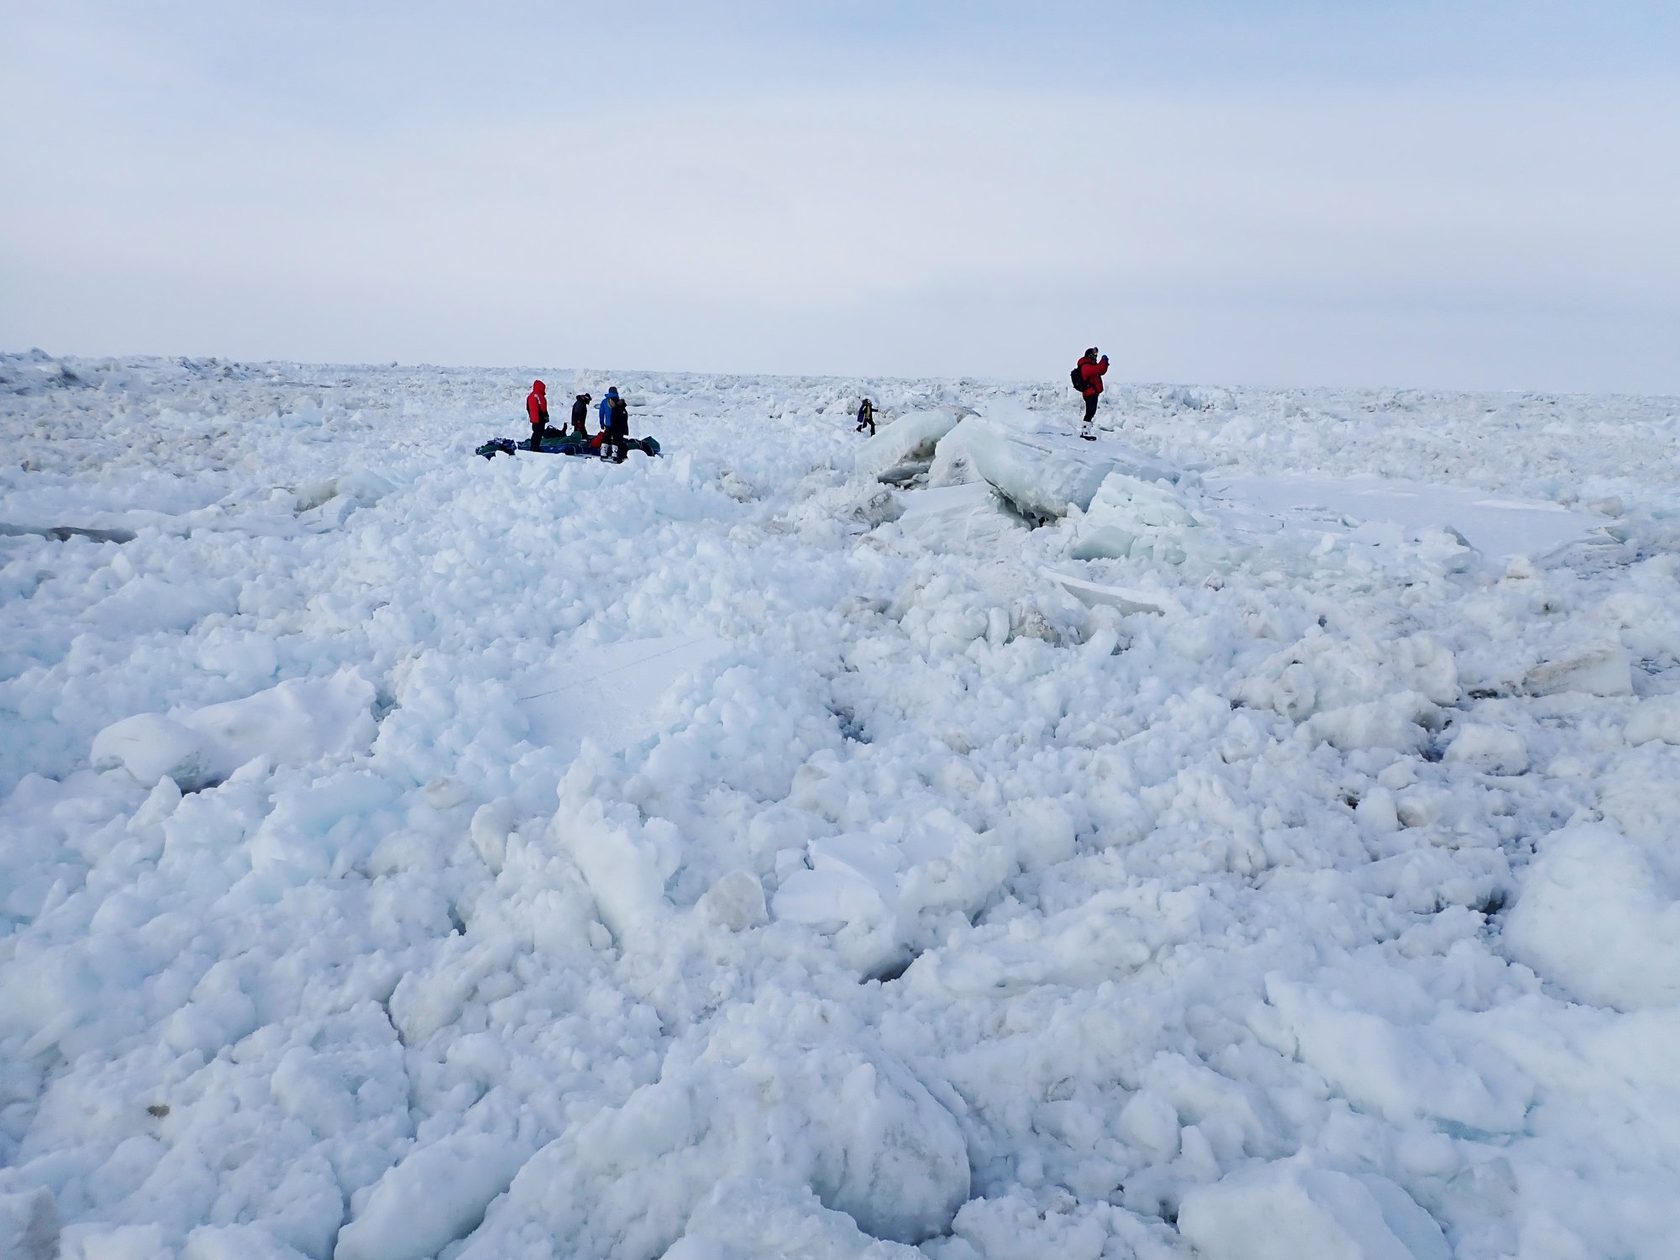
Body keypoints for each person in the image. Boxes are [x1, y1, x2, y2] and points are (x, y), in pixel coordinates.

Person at [1073, 348, 1109, 440]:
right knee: (1090, 412)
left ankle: (1086, 431)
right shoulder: (1086, 366)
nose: (1096, 356)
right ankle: (1085, 432)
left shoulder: (1090, 365)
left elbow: (1101, 371)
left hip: (1092, 392)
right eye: (1094, 354)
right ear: (1089, 355)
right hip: (1089, 393)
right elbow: (1100, 369)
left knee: (1091, 412)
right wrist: (1104, 360)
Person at [602, 389, 630, 463]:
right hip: (619, 428)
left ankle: (604, 452)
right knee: (618, 441)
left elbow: (601, 414)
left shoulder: (606, 402)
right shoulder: (621, 408)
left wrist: (602, 423)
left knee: (607, 439)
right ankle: (615, 454)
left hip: (610, 425)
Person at [526, 379, 550, 450]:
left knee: (535, 432)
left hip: (533, 418)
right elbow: (543, 407)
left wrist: (531, 415)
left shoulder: (530, 396)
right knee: (539, 433)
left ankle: (533, 446)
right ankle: (535, 447)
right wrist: (546, 415)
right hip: (540, 417)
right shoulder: (539, 396)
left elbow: (527, 407)